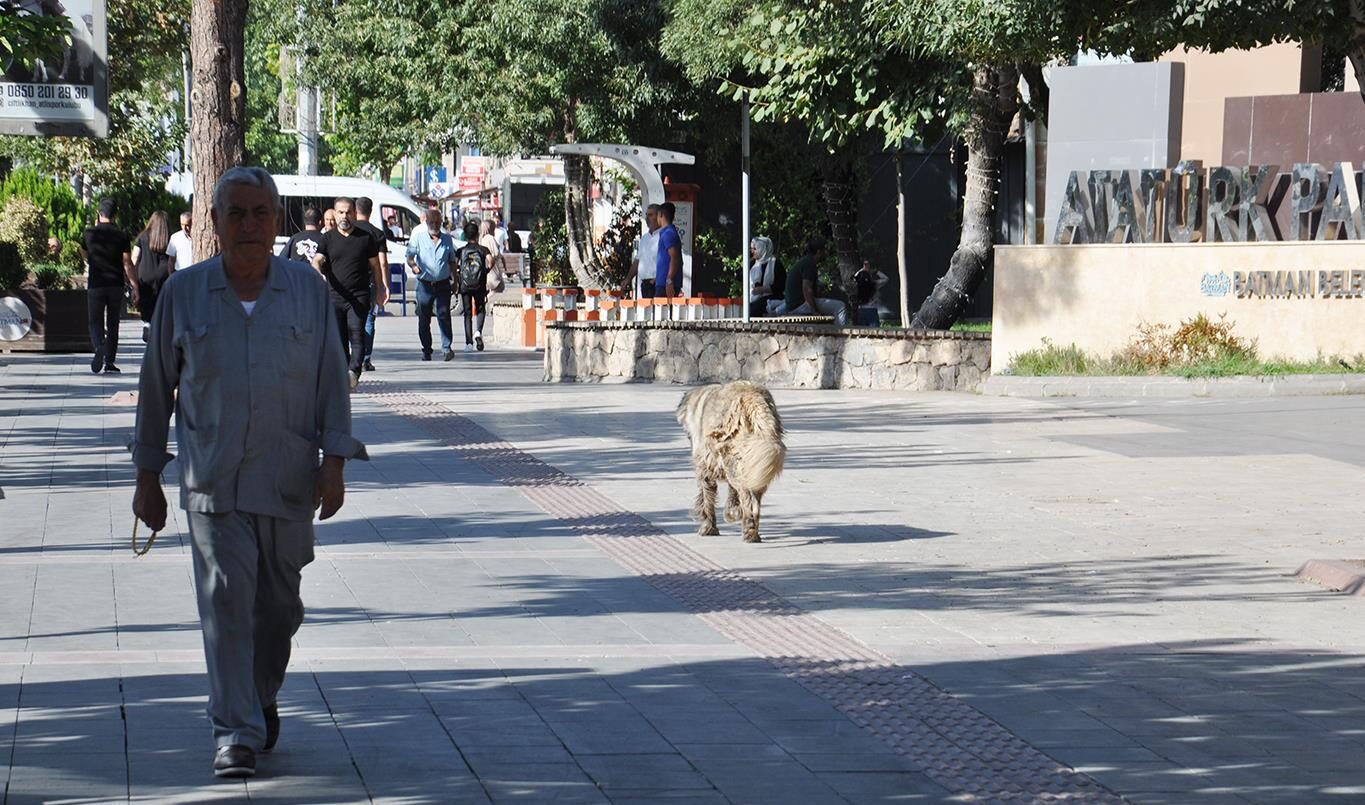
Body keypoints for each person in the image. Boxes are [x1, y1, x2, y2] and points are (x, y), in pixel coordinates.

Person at [130, 166, 367, 780]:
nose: (249, 226)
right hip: (212, 483)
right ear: (213, 223)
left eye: (260, 213)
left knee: (279, 610)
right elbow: (155, 389)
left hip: (288, 480)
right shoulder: (183, 294)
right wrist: (147, 476)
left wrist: (334, 463)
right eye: (235, 214)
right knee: (226, 602)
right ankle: (234, 728)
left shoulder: (307, 292)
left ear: (276, 221)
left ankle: (259, 694)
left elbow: (330, 383)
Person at [311, 197, 388, 391]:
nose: (344, 216)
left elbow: (376, 266)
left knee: (357, 335)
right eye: (340, 212)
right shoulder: (327, 239)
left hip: (359, 296)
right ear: (334, 214)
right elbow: (318, 259)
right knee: (339, 339)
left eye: (348, 212)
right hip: (334, 296)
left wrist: (380, 289)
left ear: (354, 213)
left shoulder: (365, 238)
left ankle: (354, 371)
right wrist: (317, 270)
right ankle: (345, 373)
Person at [81, 198, 137, 374]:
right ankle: (110, 362)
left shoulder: (89, 233)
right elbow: (127, 262)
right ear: (115, 215)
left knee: (95, 320)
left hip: (96, 283)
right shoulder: (122, 235)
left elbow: (83, 252)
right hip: (115, 284)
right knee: (113, 323)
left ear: (99, 213)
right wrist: (135, 285)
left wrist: (91, 260)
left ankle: (99, 345)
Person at [406, 208, 456, 361]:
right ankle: (426, 349)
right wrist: (413, 266)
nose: (434, 225)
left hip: (442, 284)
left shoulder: (447, 240)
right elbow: (409, 256)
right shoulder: (418, 238)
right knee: (424, 317)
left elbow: (452, 261)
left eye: (437, 222)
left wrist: (456, 280)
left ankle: (446, 348)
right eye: (431, 222)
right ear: (426, 222)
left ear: (441, 223)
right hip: (424, 284)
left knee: (444, 315)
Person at [353, 197, 389, 373]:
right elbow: (382, 262)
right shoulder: (377, 233)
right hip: (370, 281)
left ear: (355, 210)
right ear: (371, 211)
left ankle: (352, 356)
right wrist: (384, 285)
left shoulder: (348, 231)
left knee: (350, 318)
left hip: (350, 279)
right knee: (369, 319)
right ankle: (366, 358)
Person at [781, 237, 849, 326]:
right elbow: (806, 288)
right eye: (825, 250)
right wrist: (814, 310)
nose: (827, 253)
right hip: (799, 305)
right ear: (819, 252)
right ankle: (841, 335)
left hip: (793, 304)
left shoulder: (805, 261)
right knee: (840, 307)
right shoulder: (810, 264)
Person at [131, 210, 174, 342]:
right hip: (164, 275)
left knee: (147, 304)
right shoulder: (169, 237)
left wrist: (132, 280)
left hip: (145, 275)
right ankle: (159, 331)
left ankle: (147, 324)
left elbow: (135, 258)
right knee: (161, 305)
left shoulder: (142, 237)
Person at [456, 221, 492, 352]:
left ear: (465, 235)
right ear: (477, 235)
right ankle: (478, 331)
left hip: (465, 285)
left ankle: (468, 343)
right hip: (479, 284)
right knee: (480, 309)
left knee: (467, 313)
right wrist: (487, 270)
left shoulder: (461, 251)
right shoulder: (483, 250)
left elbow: (454, 265)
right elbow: (491, 260)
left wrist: (456, 278)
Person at [622, 204, 660, 298]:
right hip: (645, 284)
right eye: (646, 215)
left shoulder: (663, 236)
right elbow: (637, 260)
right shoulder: (644, 238)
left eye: (651, 215)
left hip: (658, 283)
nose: (647, 218)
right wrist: (627, 279)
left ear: (658, 216)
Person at [747, 236, 785, 318]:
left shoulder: (776, 263)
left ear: (762, 248)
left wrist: (764, 289)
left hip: (772, 299)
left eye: (755, 249)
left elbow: (781, 285)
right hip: (754, 299)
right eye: (752, 249)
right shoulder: (752, 264)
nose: (752, 251)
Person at [655, 202, 682, 298]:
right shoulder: (667, 233)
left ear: (661, 214)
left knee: (661, 312)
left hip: (666, 284)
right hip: (663, 282)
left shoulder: (668, 233)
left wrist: (669, 280)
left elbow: (675, 257)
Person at [852, 260, 889, 326]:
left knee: (862, 332)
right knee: (874, 333)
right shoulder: (875, 284)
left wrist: (862, 269)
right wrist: (876, 271)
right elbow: (886, 279)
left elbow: (855, 278)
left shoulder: (858, 284)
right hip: (872, 309)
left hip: (861, 309)